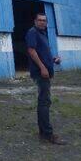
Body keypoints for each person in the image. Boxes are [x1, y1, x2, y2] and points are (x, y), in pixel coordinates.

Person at [25, 13, 66, 145]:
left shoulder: (43, 34)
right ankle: (48, 134)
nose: (42, 22)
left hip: (46, 71)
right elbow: (31, 51)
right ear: (35, 21)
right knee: (44, 102)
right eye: (40, 20)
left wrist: (54, 59)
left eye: (44, 20)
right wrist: (43, 67)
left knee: (44, 101)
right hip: (40, 72)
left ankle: (43, 132)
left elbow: (42, 53)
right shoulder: (32, 32)